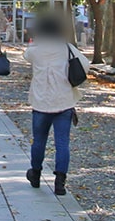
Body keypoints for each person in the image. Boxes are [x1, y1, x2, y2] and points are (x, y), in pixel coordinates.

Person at [23, 15, 90, 196]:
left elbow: (26, 56)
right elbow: (85, 65)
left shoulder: (35, 50)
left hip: (41, 102)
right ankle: (60, 182)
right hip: (64, 101)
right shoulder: (66, 48)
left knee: (39, 140)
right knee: (62, 143)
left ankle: (35, 173)